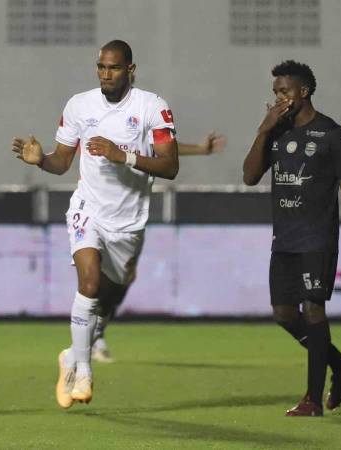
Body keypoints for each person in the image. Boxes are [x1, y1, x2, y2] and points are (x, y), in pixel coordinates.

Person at [12, 40, 179, 408]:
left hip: (128, 223)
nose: (105, 74)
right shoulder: (79, 105)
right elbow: (62, 161)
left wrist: (124, 156)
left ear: (131, 70)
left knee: (108, 290)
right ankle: (84, 371)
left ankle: (71, 356)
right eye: (101, 67)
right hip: (87, 209)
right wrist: (41, 160)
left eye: (114, 68)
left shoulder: (152, 107)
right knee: (87, 282)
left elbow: (170, 166)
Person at [243, 60, 341, 416]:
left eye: (285, 91)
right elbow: (249, 176)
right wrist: (263, 131)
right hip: (284, 241)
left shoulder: (332, 135)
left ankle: (312, 400)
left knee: (313, 310)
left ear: (304, 92)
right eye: (276, 92)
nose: (279, 98)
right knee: (283, 314)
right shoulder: (277, 133)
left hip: (317, 240)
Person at [91, 131, 226, 363]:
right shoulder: (96, 121)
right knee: (94, 271)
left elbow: (163, 149)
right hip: (98, 211)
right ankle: (87, 333)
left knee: (125, 275)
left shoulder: (141, 123)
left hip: (131, 214)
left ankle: (98, 327)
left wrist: (200, 149)